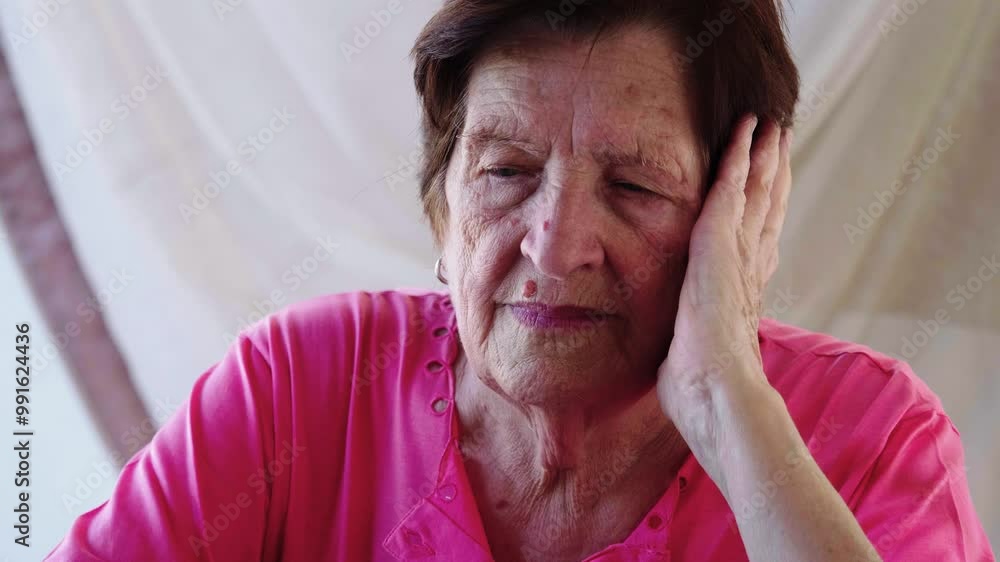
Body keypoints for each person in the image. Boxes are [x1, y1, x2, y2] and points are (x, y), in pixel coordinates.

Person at [48, 0, 995, 560]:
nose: (555, 246)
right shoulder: (300, 387)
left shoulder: (872, 438)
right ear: (441, 206)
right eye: (505, 172)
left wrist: (723, 402)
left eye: (632, 185)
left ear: (740, 210)